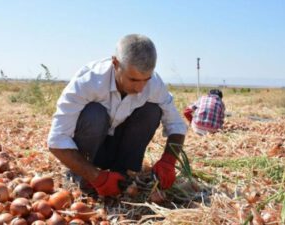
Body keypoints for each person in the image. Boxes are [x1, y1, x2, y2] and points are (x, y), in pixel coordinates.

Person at [47, 34, 187, 197]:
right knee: (94, 114)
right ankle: (83, 177)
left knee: (152, 111)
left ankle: (124, 175)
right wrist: (96, 177)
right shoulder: (89, 81)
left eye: (146, 79)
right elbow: (56, 140)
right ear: (115, 64)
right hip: (89, 152)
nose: (140, 88)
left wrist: (169, 161)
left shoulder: (154, 84)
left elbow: (176, 125)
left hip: (121, 147)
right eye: (133, 79)